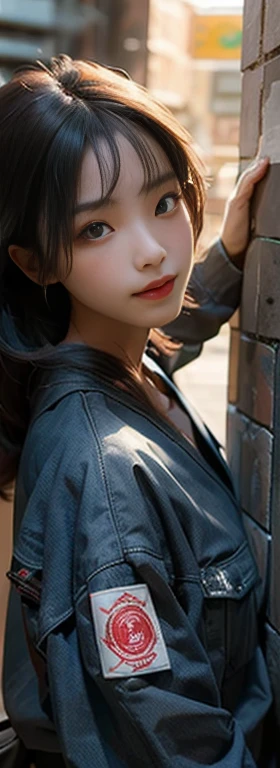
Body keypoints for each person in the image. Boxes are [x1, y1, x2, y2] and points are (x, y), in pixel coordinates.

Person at [0, 55, 273, 768]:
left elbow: (165, 338)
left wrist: (232, 255)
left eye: (162, 203)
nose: (153, 253)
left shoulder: (124, 359)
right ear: (35, 262)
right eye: (96, 229)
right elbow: (176, 747)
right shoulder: (103, 473)